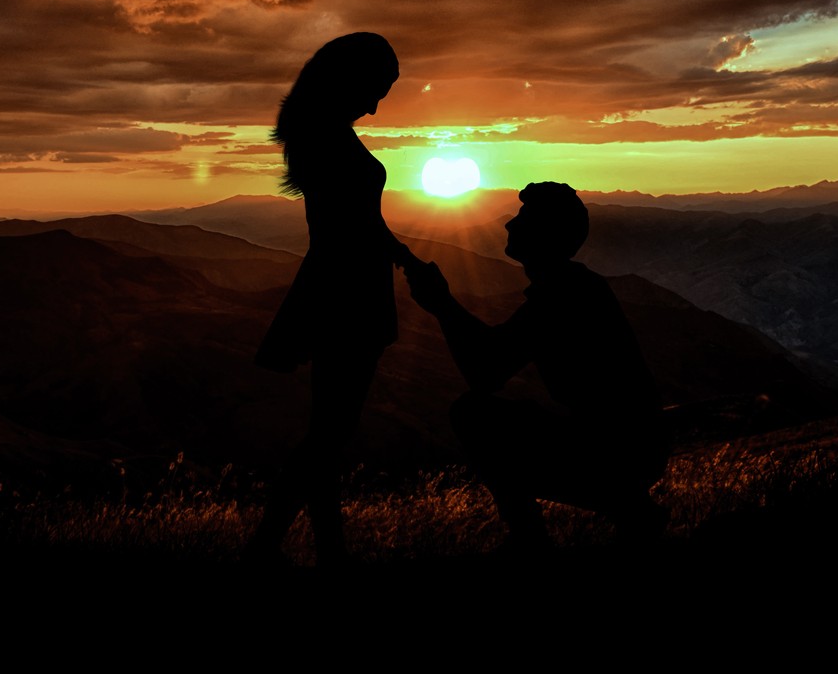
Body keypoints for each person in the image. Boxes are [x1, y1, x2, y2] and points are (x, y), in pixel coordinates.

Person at [405, 181, 670, 551]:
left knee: (473, 415)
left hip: (616, 455)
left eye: (523, 219)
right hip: (630, 447)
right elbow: (494, 357)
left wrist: (442, 305)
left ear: (546, 235)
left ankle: (537, 540)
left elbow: (485, 372)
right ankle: (628, 508)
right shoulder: (574, 288)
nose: (509, 226)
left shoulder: (562, 296)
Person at [245, 32, 414, 567]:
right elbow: (350, 227)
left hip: (341, 286)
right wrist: (396, 256)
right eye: (377, 89)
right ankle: (269, 545)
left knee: (328, 432)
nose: (376, 105)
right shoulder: (327, 138)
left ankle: (325, 550)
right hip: (348, 293)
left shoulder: (323, 134)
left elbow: (361, 219)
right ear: (351, 80)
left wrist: (402, 255)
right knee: (329, 435)